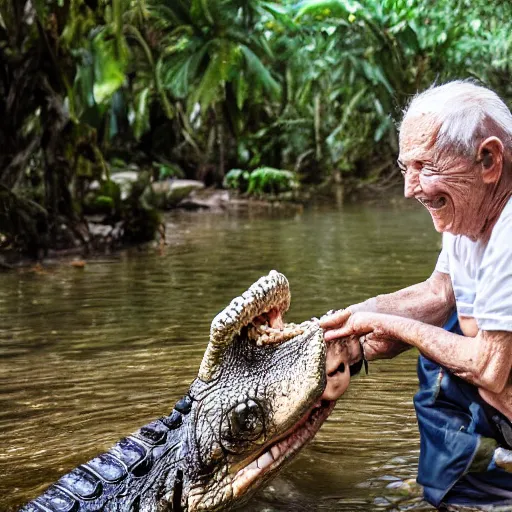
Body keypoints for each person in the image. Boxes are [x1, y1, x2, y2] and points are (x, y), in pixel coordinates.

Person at [320, 81, 512, 510]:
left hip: (499, 380)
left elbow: (490, 367)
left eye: (425, 166)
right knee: (439, 331)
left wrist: (388, 324)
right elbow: (438, 292)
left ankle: (487, 487)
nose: (410, 188)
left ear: (488, 160)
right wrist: (347, 327)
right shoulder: (471, 212)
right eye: (406, 167)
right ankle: (482, 473)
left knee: (440, 351)